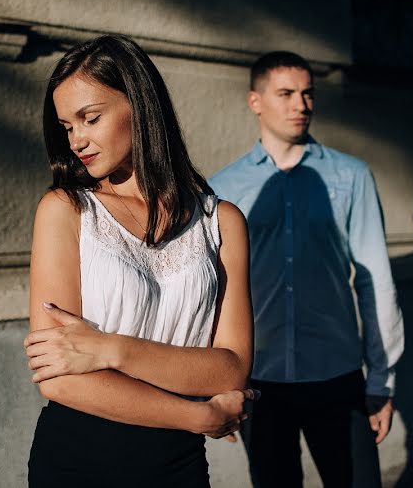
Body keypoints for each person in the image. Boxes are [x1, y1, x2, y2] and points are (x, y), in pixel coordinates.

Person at [23, 35, 255, 488]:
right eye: (68, 126)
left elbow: (230, 368)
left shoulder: (220, 221)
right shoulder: (66, 211)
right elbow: (59, 379)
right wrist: (197, 414)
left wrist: (111, 349)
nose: (77, 140)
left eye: (90, 118)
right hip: (77, 462)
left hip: (179, 467)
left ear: (140, 106)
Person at [209, 51, 405, 488]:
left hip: (336, 375)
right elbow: (213, 293)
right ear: (255, 101)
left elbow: (376, 280)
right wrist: (219, 383)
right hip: (259, 381)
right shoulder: (222, 188)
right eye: (285, 93)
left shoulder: (351, 176)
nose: (301, 104)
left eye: (307, 93)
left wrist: (381, 380)